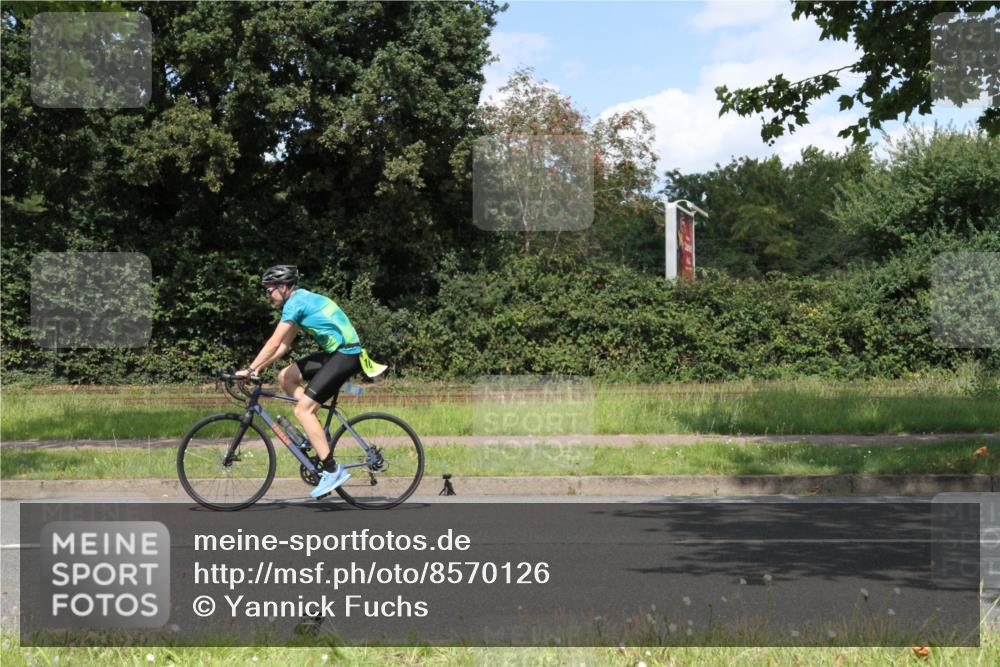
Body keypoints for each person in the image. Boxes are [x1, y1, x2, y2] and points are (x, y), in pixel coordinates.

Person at [237, 265, 362, 499]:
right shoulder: (298, 301)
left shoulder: (295, 304)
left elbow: (274, 343)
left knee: (302, 411)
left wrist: (250, 369)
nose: (267, 294)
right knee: (286, 377)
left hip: (346, 354)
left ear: (283, 287)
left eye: (269, 289)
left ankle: (332, 470)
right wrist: (259, 368)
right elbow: (283, 347)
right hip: (336, 353)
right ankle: (314, 427)